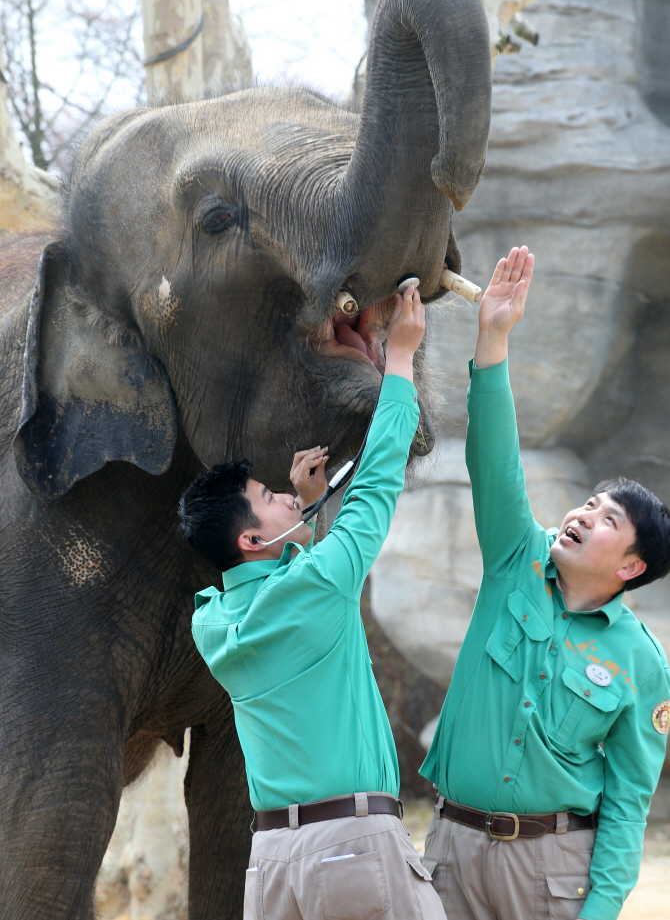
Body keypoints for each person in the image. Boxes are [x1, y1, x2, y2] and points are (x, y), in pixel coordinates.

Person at [179, 284, 445, 920]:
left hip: (272, 862)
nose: (285, 497)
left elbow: (300, 598)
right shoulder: (313, 585)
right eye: (270, 497)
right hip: (354, 847)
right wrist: (401, 360)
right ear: (250, 539)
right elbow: (377, 479)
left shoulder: (211, 622)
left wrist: (306, 517)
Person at [420, 246, 670, 920]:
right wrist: (493, 336)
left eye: (607, 518)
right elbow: (493, 460)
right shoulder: (515, 559)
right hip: (451, 852)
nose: (583, 514)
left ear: (631, 566)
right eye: (586, 503)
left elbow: (626, 802)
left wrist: (601, 909)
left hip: (552, 875)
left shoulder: (642, 663)